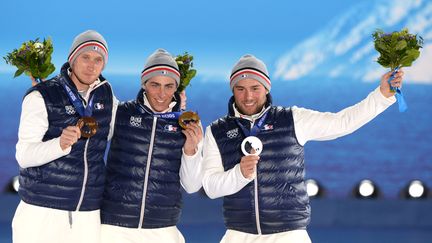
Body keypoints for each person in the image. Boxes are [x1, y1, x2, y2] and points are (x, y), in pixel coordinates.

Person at [202, 54, 404, 243]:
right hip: (239, 235)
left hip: (289, 235)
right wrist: (240, 174)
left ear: (267, 87)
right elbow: (211, 187)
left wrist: (381, 96)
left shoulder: (293, 119)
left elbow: (343, 122)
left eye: (255, 88)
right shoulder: (217, 131)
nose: (248, 97)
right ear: (232, 89)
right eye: (240, 89)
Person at [13, 30, 118, 243]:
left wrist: (177, 109)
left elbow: (125, 130)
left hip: (86, 215)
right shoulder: (41, 96)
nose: (91, 65)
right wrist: (58, 144)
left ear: (104, 65)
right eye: (85, 57)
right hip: (41, 212)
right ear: (72, 59)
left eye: (98, 59)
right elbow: (23, 155)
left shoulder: (107, 97)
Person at [100, 48, 203, 243]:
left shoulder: (189, 125)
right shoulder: (121, 113)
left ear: (177, 88)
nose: (162, 94)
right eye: (155, 84)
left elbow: (192, 186)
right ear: (144, 83)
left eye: (169, 86)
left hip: (161, 230)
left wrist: (190, 150)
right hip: (114, 227)